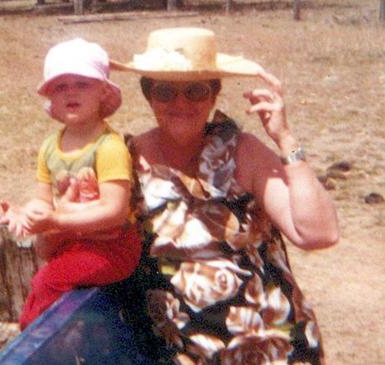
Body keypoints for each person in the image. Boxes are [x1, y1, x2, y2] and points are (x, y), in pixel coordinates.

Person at [58, 27, 338, 363]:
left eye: (195, 91)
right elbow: (79, 240)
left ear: (213, 95)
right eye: (165, 92)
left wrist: (286, 140)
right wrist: (68, 209)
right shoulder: (126, 159)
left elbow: (317, 233)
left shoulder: (242, 153)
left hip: (270, 347)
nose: (181, 104)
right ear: (148, 95)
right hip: (181, 352)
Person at [0, 38, 142, 330]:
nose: (71, 91)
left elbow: (114, 210)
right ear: (51, 96)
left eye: (82, 83)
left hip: (113, 244)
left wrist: (57, 220)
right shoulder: (50, 147)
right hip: (75, 240)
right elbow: (45, 202)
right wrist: (28, 214)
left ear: (103, 91)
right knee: (48, 277)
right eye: (60, 86)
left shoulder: (108, 146)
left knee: (48, 282)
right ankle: (49, 340)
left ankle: (33, 346)